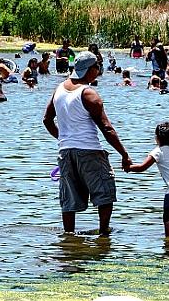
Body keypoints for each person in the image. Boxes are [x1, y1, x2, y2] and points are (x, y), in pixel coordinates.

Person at [42, 51, 132, 234]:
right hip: (89, 151)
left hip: (65, 152)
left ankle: (69, 236)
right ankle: (103, 234)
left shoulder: (59, 89)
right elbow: (106, 128)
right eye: (97, 67)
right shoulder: (89, 93)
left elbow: (47, 120)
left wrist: (63, 139)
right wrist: (124, 154)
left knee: (69, 198)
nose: (98, 71)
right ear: (89, 70)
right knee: (104, 194)